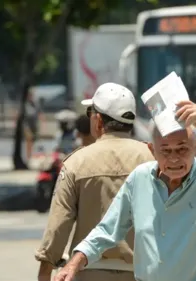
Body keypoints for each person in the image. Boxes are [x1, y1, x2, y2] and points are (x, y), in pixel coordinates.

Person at [54, 100, 196, 281]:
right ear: (151, 150)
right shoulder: (140, 178)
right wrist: (73, 264)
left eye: (182, 149)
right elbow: (107, 230)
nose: (174, 158)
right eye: (165, 151)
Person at [35, 83, 155, 281]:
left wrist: (44, 272)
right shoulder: (154, 159)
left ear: (98, 121)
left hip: (87, 271)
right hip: (145, 272)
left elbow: (58, 226)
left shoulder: (76, 162)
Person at [24, 89, 44, 163]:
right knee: (29, 139)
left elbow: (40, 113)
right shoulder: (25, 104)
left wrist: (41, 122)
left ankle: (30, 154)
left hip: (34, 124)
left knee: (33, 140)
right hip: (27, 124)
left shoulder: (35, 104)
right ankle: (28, 155)